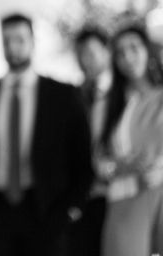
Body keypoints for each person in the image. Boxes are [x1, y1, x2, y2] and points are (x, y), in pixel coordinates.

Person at [0, 13, 93, 256]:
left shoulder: (63, 95)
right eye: (6, 40)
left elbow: (82, 159)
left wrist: (70, 210)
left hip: (46, 212)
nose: (12, 47)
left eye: (19, 39)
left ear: (33, 41)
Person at [97, 24, 163, 256]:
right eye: (120, 52)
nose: (128, 57)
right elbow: (99, 162)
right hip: (127, 196)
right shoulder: (109, 105)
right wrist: (121, 166)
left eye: (134, 48)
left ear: (148, 50)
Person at [68, 27, 112, 256]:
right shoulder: (72, 95)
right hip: (82, 198)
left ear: (107, 52)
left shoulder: (121, 96)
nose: (85, 61)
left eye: (91, 53)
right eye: (80, 54)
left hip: (114, 193)